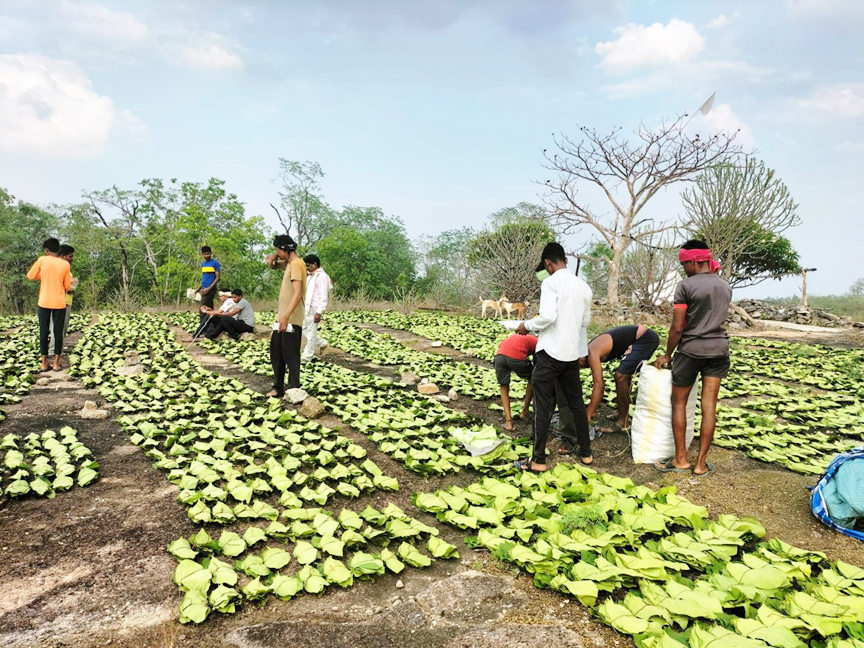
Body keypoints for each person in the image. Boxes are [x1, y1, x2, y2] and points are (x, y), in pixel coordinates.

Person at [653, 240, 732, 477]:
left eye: (684, 263)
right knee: (709, 407)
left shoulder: (685, 286)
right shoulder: (725, 286)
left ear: (695, 261)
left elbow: (678, 327)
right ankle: (700, 464)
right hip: (719, 350)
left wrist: (667, 354)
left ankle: (680, 460)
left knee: (679, 402)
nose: (683, 268)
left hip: (691, 351)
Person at [515, 242, 593, 471]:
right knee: (576, 404)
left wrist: (526, 325)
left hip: (549, 354)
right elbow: (585, 322)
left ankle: (538, 460)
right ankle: (586, 454)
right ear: (565, 260)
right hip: (570, 355)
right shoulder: (584, 287)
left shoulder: (550, 283)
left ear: (548, 264)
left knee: (543, 407)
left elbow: (547, 316)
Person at [581, 325, 661, 430]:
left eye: (579, 365)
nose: (580, 367)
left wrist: (588, 415)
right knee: (625, 377)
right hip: (637, 339)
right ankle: (625, 415)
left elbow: (599, 385)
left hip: (645, 339)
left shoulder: (592, 353)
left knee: (621, 376)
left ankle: (623, 422)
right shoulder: (588, 350)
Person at [265, 235, 306, 397]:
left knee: (290, 354)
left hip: (291, 318)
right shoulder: (290, 263)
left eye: (277, 250)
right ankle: (278, 387)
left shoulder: (297, 264)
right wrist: (274, 256)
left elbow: (297, 293)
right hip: (282, 317)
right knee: (276, 352)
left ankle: (293, 388)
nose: (276, 253)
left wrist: (287, 315)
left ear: (285, 250)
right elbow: (271, 265)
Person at [26, 238, 71, 372]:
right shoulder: (65, 264)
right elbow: (67, 286)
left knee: (44, 331)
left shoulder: (42, 260)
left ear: (46, 250)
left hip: (44, 301)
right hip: (59, 302)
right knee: (58, 332)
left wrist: (44, 275)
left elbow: (30, 276)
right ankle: (57, 363)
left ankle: (44, 362)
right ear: (58, 249)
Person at [494, 333, 537, 431]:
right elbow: (538, 359)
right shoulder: (536, 341)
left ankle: (508, 422)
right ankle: (525, 412)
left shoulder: (515, 335)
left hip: (499, 356)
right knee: (533, 378)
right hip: (516, 357)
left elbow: (500, 345)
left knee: (504, 386)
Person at [48, 244, 78, 357]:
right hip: (61, 302)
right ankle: (54, 351)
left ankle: (58, 350)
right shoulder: (60, 269)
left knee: (60, 328)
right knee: (58, 328)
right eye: (70, 256)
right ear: (62, 256)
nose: (72, 258)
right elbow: (65, 286)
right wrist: (73, 284)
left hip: (60, 301)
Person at [301, 254, 332, 362]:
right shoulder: (311, 275)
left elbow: (324, 296)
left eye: (308, 265)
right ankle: (322, 343)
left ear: (315, 264)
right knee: (302, 330)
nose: (307, 268)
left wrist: (319, 311)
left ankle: (307, 356)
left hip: (314, 308)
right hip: (307, 307)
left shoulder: (321, 276)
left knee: (311, 334)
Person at [198, 246, 221, 325]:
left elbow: (217, 278)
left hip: (211, 288)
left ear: (211, 253)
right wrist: (197, 289)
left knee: (202, 308)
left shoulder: (215, 263)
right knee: (209, 308)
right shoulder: (203, 264)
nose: (207, 256)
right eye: (205, 254)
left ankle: (202, 327)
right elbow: (204, 278)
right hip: (204, 288)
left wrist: (209, 288)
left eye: (208, 254)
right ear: (202, 255)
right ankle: (213, 325)